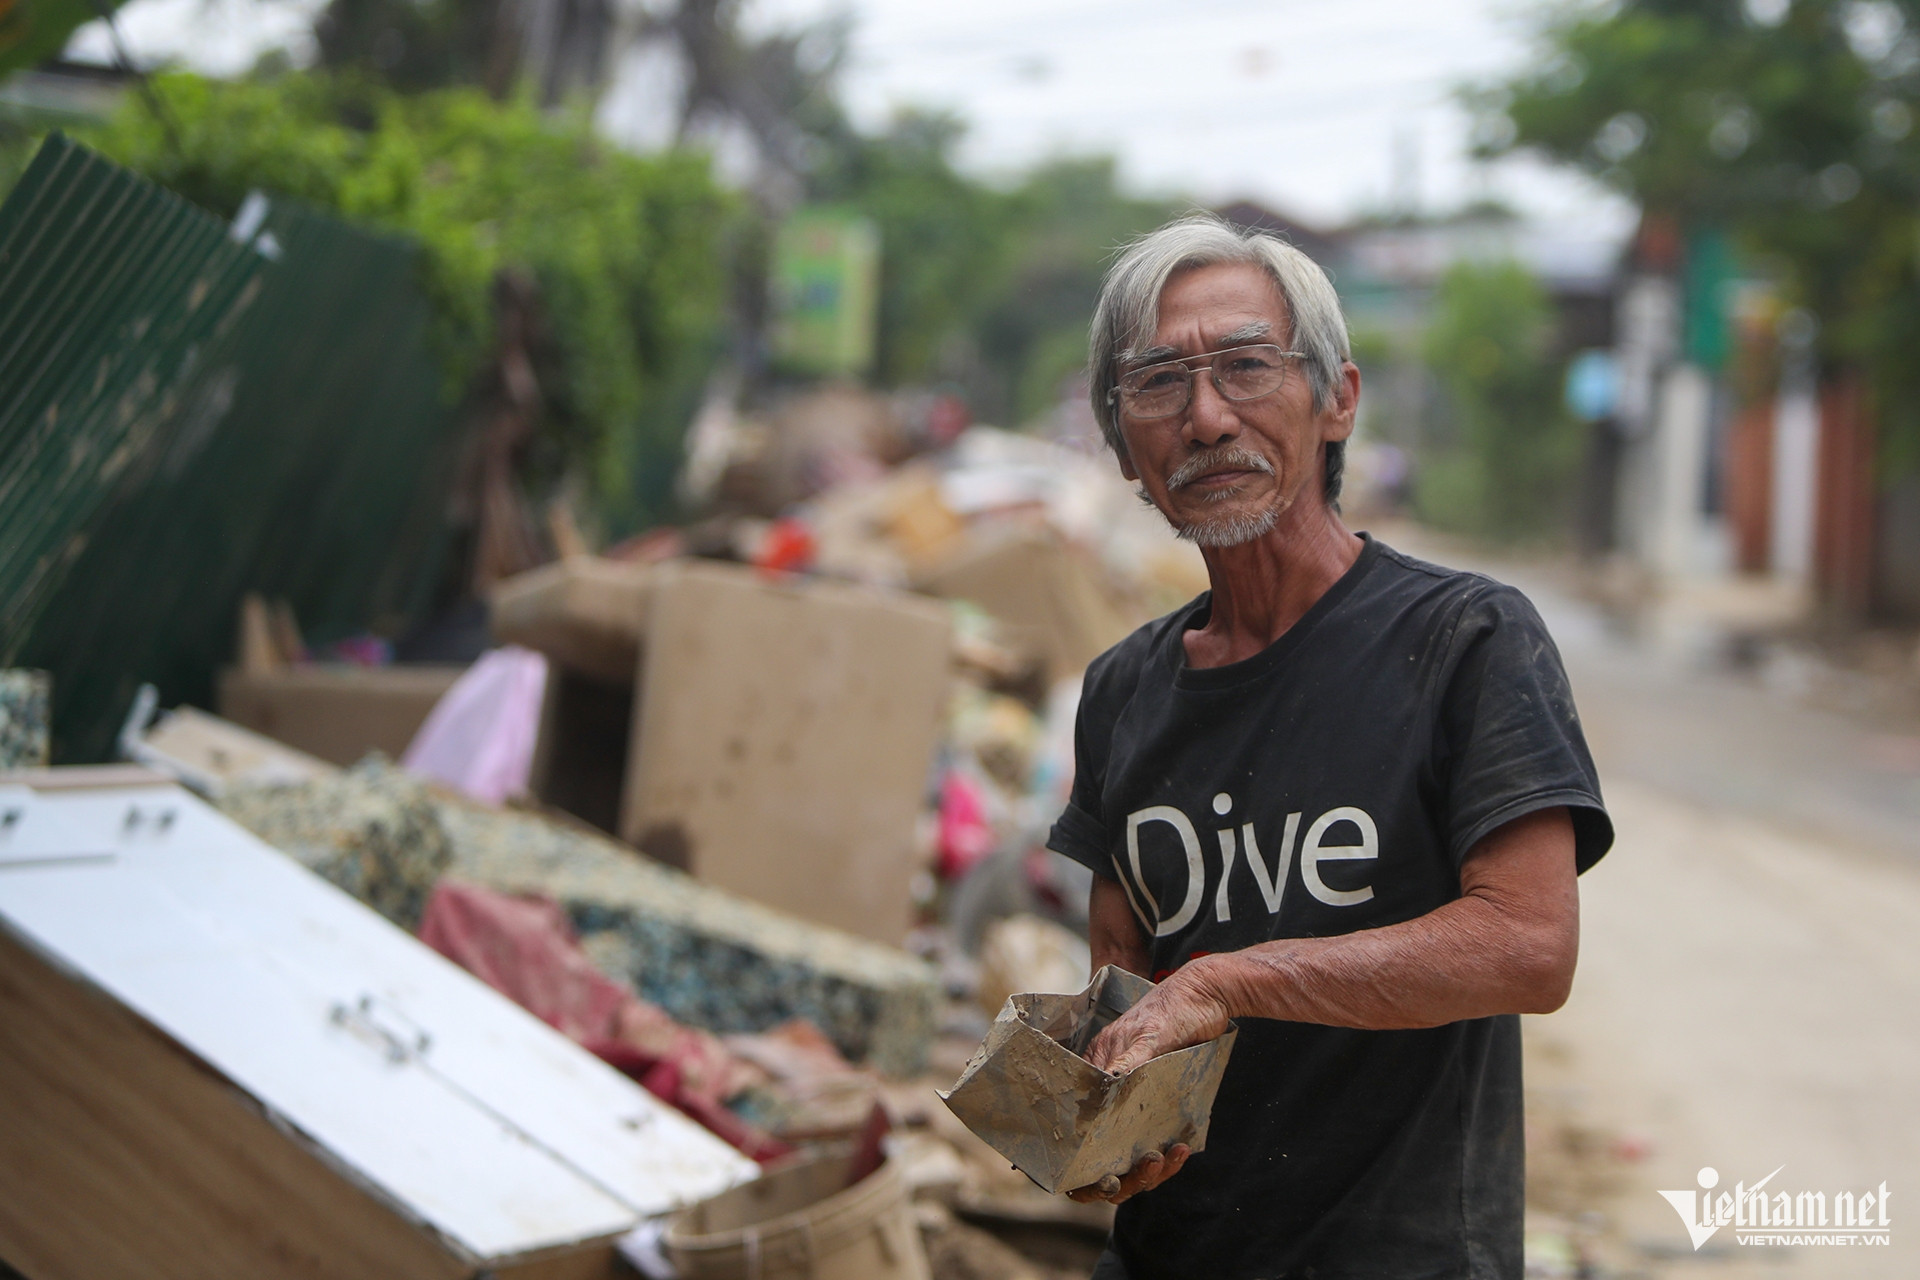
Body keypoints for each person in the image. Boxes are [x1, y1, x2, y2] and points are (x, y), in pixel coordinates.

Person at [1045, 214, 1613, 1280]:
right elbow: (1125, 991)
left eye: (1247, 367)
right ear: (1123, 448)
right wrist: (1110, 1128)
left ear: (1337, 398)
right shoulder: (1122, 688)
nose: (1207, 416)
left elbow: (1530, 946)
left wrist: (1229, 980)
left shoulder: (1466, 641)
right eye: (1159, 382)